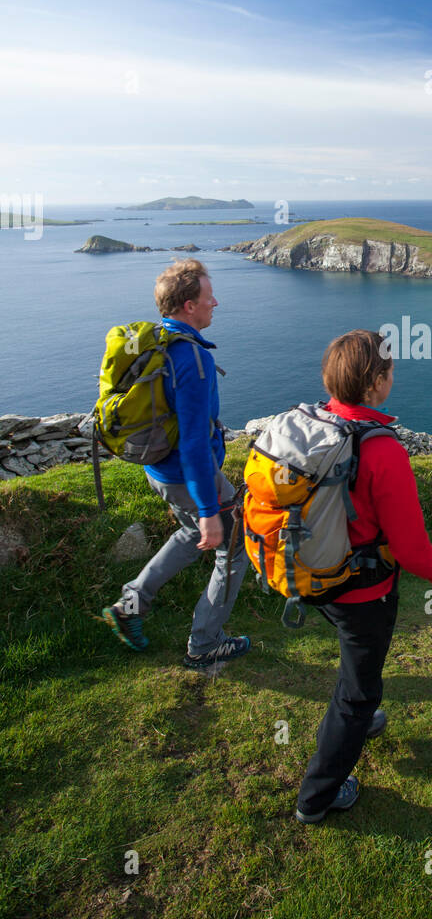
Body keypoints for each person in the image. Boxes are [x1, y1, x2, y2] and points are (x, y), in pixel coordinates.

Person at [295, 329, 432, 824]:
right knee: (359, 689)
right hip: (362, 589)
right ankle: (316, 799)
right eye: (390, 370)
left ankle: (359, 721)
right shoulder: (383, 449)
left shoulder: (314, 423)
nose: (394, 376)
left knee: (352, 662)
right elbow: (410, 548)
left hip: (312, 577)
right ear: (375, 383)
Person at [100, 259, 250, 670]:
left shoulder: (158, 343)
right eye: (207, 297)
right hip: (187, 473)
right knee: (234, 551)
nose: (215, 303)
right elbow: (196, 445)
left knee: (189, 533)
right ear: (188, 306)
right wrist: (208, 510)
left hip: (159, 470)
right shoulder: (192, 359)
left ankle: (131, 603)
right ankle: (205, 643)